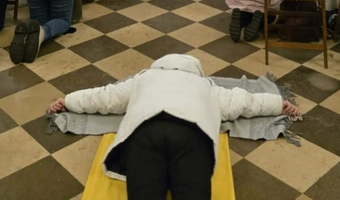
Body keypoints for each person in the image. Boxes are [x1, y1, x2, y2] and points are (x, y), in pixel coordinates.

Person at [47, 54, 299, 199]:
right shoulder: (206, 85)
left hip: (144, 133)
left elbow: (104, 98)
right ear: (196, 71)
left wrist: (67, 101)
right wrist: (279, 104)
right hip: (192, 135)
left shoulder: (143, 78)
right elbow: (244, 101)